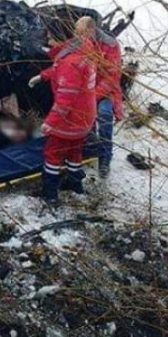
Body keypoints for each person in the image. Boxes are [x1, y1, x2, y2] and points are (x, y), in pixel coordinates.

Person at [28, 16, 98, 200]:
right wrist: (42, 76)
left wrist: (50, 123)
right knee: (75, 150)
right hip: (85, 117)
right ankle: (75, 183)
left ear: (61, 39)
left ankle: (49, 192)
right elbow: (60, 69)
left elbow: (65, 100)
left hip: (70, 119)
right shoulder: (82, 52)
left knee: (53, 152)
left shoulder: (70, 62)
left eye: (50, 37)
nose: (48, 41)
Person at [92, 28, 124, 179]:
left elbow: (111, 78)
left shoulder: (111, 46)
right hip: (88, 90)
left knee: (104, 116)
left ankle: (105, 158)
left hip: (106, 92)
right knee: (85, 119)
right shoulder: (82, 43)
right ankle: (88, 149)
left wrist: (92, 96)